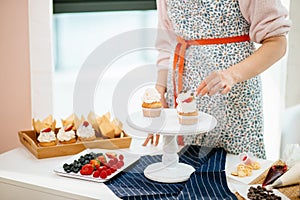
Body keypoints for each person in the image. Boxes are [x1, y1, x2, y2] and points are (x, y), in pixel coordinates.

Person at [143, 0, 291, 159]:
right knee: (182, 170)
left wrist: (231, 75)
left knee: (237, 175)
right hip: (180, 99)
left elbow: (277, 43)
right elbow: (167, 44)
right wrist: (160, 90)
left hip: (234, 103)